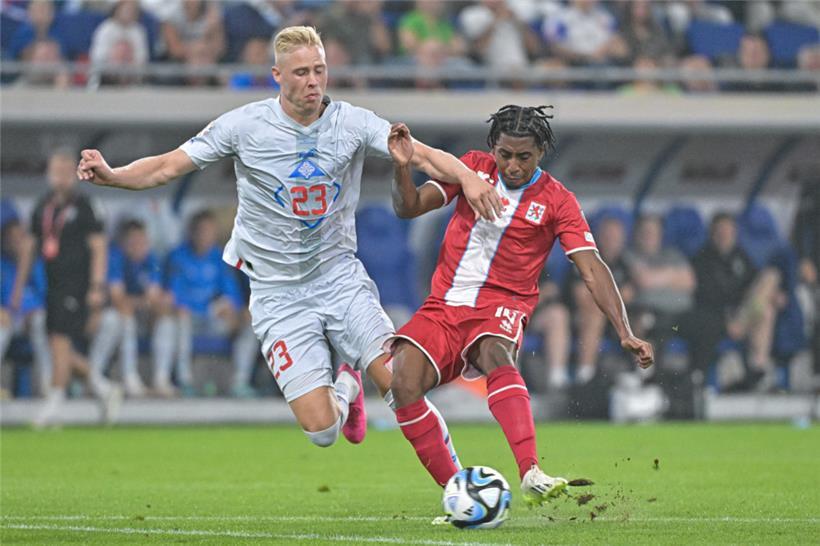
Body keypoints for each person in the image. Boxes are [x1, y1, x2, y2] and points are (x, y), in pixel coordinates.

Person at [77, 26, 501, 450]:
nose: (313, 81)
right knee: (322, 432)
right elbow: (168, 166)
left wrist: (468, 177)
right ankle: (346, 389)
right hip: (277, 292)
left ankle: (458, 488)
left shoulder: (352, 122)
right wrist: (114, 176)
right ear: (276, 75)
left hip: (338, 277)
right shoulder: (244, 126)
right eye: (300, 72)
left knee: (402, 384)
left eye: (319, 70)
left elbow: (422, 155)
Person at [387, 105, 653, 508]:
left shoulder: (557, 200)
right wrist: (403, 169)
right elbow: (408, 208)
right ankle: (460, 494)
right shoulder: (472, 169)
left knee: (497, 352)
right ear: (493, 147)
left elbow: (592, 267)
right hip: (444, 305)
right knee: (403, 382)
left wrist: (624, 331)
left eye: (523, 157)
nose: (512, 165)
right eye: (505, 154)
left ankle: (530, 470)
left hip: (502, 305)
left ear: (541, 152)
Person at [15, 148, 122, 427]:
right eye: (56, 171)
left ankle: (56, 404)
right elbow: (29, 247)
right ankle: (102, 387)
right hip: (53, 284)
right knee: (56, 345)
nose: (60, 177)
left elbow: (99, 248)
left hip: (78, 285)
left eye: (65, 171)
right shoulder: (43, 206)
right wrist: (17, 288)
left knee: (60, 341)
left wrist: (97, 286)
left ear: (75, 174)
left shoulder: (85, 205)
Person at [87, 218, 164, 398]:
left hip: (143, 317)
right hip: (102, 317)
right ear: (123, 242)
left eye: (142, 241)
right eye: (133, 241)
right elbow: (118, 300)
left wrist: (141, 303)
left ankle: (163, 379)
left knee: (167, 318)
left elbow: (154, 300)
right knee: (120, 319)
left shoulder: (151, 258)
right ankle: (98, 376)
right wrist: (141, 302)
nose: (138, 246)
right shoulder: (114, 256)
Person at [0, 217, 52, 396]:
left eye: (20, 236)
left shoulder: (36, 265)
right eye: (11, 237)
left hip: (31, 317)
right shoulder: (2, 264)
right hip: (8, 318)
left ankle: (48, 384)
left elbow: (45, 296)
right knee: (1, 326)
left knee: (41, 321)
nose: (16, 241)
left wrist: (32, 311)